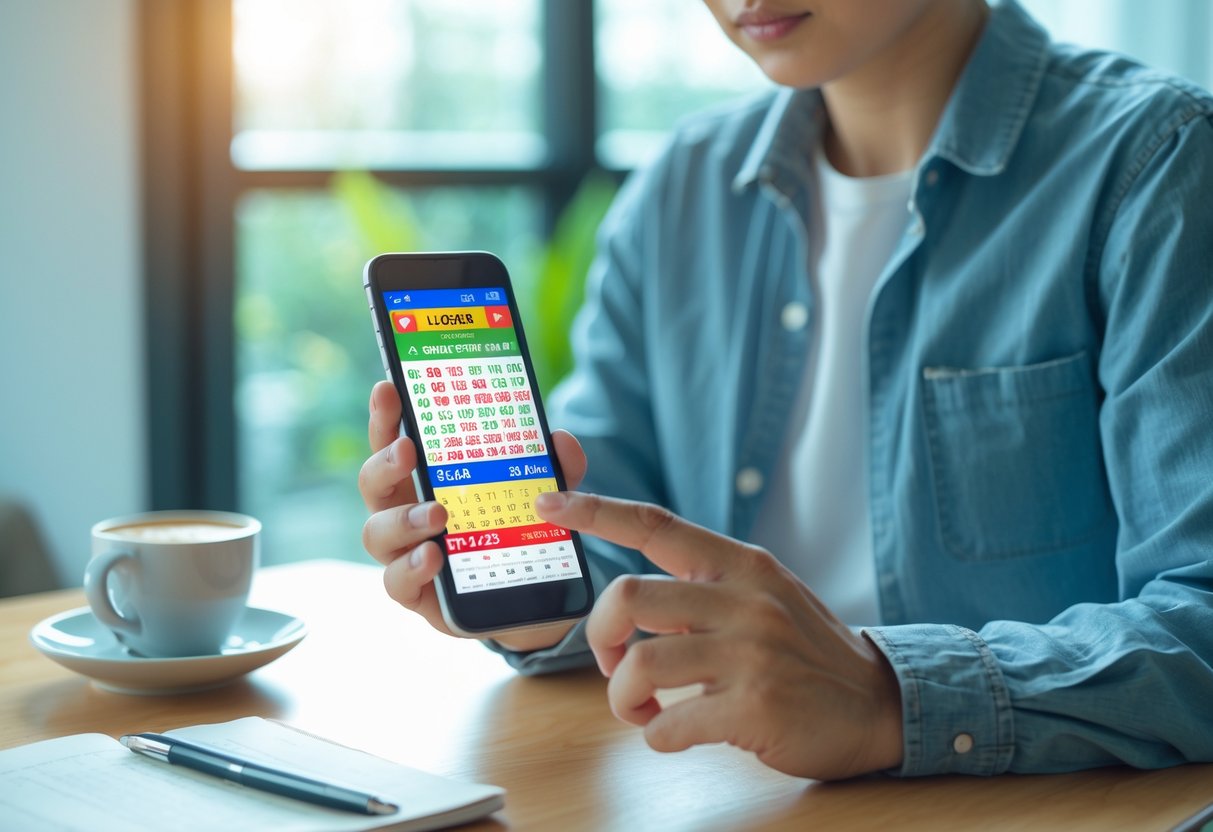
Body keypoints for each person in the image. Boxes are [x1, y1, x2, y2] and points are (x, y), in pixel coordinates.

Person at [359, 0, 1213, 780]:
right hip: (727, 794)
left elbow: (1200, 620)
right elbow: (611, 517)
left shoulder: (1157, 163)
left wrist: (888, 694)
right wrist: (532, 601)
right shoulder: (681, 191)